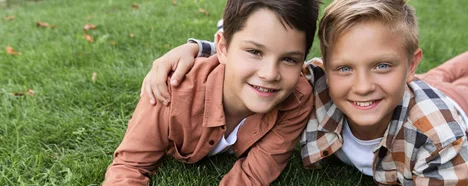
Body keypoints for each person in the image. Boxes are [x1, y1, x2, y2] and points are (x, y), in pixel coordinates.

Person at [142, 0, 468, 184]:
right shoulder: (314, 80)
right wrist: (193, 48)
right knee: (443, 72)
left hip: (449, 106)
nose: (360, 85)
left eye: (382, 64)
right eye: (345, 68)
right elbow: (260, 60)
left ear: (408, 65)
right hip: (406, 87)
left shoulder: (438, 134)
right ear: (325, 68)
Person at [103, 0, 319, 185]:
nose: (270, 74)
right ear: (222, 48)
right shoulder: (169, 91)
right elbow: (130, 166)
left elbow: (253, 176)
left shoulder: (297, 98)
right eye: (254, 52)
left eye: (289, 59)